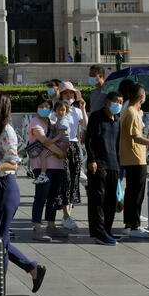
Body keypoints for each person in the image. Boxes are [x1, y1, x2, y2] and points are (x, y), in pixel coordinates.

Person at [0, 91, 47, 294]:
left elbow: (13, 165)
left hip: (5, 187)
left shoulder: (7, 131)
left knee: (0, 240)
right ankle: (32, 269)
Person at [118, 81, 149, 238]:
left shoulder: (128, 111)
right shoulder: (131, 112)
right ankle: (135, 226)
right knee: (136, 194)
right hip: (135, 158)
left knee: (131, 193)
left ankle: (129, 225)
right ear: (141, 96)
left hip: (130, 157)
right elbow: (136, 137)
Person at [85, 92, 123, 245]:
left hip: (114, 164)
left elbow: (118, 143)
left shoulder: (117, 119)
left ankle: (107, 230)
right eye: (116, 101)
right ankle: (98, 233)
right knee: (97, 200)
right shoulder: (96, 116)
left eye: (121, 102)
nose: (118, 104)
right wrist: (92, 159)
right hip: (99, 163)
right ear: (108, 102)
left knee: (111, 201)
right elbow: (89, 140)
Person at [28, 98, 69, 241]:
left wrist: (61, 154)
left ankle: (51, 226)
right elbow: (44, 141)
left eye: (47, 106)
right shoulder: (35, 122)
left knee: (53, 197)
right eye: (41, 106)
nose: (44, 109)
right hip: (42, 166)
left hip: (57, 165)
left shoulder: (52, 122)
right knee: (41, 196)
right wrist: (60, 152)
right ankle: (37, 228)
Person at [56, 81, 85, 231]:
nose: (69, 95)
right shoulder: (57, 110)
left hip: (74, 146)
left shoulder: (76, 110)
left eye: (71, 93)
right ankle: (66, 215)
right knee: (65, 179)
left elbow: (86, 125)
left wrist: (83, 108)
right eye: (66, 93)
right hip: (62, 146)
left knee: (74, 180)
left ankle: (67, 216)